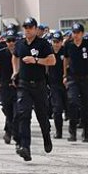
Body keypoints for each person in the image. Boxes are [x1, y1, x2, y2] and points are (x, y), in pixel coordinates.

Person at [12, 17, 56, 161]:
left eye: (30, 27)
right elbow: (15, 57)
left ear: (36, 29)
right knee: (24, 114)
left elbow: (52, 60)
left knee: (42, 116)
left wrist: (36, 60)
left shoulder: (43, 44)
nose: (28, 30)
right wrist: (15, 71)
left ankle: (46, 136)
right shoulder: (20, 44)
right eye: (25, 27)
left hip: (39, 84)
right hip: (23, 85)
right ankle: (25, 147)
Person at [0, 30, 17, 144]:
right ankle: (9, 131)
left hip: (17, 86)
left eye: (13, 40)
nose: (11, 43)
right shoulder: (1, 53)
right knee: (8, 110)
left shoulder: (21, 52)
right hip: (4, 85)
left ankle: (10, 132)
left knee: (17, 111)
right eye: (9, 40)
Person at [47, 31, 67, 138]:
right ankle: (59, 132)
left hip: (66, 83)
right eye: (54, 41)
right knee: (57, 109)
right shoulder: (48, 51)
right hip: (54, 84)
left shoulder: (66, 51)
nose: (56, 44)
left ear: (62, 41)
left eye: (58, 42)